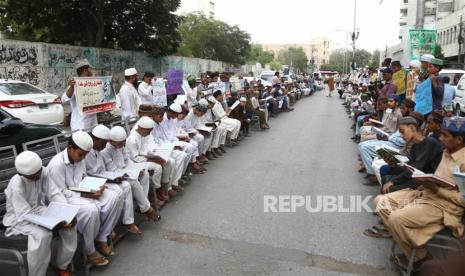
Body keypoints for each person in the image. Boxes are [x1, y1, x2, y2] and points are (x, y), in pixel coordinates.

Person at [374, 116, 465, 271]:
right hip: (426, 194)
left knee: (397, 218)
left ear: (459, 140)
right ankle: (410, 240)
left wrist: (437, 189)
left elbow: (462, 200)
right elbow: (439, 177)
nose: (441, 138)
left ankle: (420, 257)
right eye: (441, 134)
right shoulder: (446, 151)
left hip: (444, 207)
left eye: (445, 135)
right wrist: (426, 184)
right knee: (380, 202)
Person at [47, 131, 120, 266]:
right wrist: (84, 195)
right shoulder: (57, 164)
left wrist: (96, 186)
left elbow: (83, 178)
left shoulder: (79, 158)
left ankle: (101, 237)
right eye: (81, 154)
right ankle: (89, 250)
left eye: (85, 155)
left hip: (80, 193)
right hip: (64, 200)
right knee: (91, 210)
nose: (83, 158)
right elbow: (58, 193)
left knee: (113, 196)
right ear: (70, 148)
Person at [3, 151, 77, 276]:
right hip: (19, 219)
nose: (38, 176)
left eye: (39, 172)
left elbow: (54, 194)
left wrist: (66, 213)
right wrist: (54, 225)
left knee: (70, 225)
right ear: (21, 174)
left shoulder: (42, 171)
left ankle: (61, 264)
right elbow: (24, 213)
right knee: (42, 235)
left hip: (39, 210)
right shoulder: (16, 185)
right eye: (33, 175)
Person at [86, 125, 140, 234]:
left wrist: (113, 178)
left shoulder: (98, 150)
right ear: (94, 140)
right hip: (93, 183)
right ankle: (108, 230)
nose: (105, 145)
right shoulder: (86, 152)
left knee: (126, 185)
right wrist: (109, 178)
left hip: (103, 179)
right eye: (103, 143)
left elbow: (102, 171)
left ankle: (128, 221)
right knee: (118, 193)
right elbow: (90, 175)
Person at [102, 126, 162, 218]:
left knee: (144, 174)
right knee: (134, 182)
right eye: (120, 143)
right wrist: (131, 172)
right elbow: (113, 169)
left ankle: (141, 205)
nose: (122, 145)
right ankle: (147, 208)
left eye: (123, 142)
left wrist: (137, 169)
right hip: (116, 175)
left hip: (126, 170)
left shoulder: (121, 146)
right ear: (111, 141)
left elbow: (127, 160)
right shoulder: (105, 151)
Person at [379, 116, 443, 194]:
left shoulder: (430, 143)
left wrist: (393, 181)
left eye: (402, 131)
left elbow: (415, 168)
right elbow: (410, 167)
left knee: (390, 187)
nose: (401, 136)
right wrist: (393, 163)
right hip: (417, 177)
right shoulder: (415, 146)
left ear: (412, 128)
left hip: (427, 181)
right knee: (385, 178)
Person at [126, 116, 176, 202]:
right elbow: (135, 158)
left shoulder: (144, 134)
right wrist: (153, 159)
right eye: (148, 131)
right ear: (141, 128)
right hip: (138, 162)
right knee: (157, 168)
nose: (149, 133)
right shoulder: (132, 139)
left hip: (148, 157)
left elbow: (148, 149)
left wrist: (157, 155)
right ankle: (156, 191)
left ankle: (164, 186)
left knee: (168, 161)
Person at [62, 59, 97, 131]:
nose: (92, 71)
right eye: (90, 69)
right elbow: (64, 99)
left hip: (92, 124)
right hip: (80, 125)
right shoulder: (75, 84)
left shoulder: (93, 84)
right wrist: (72, 87)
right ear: (85, 70)